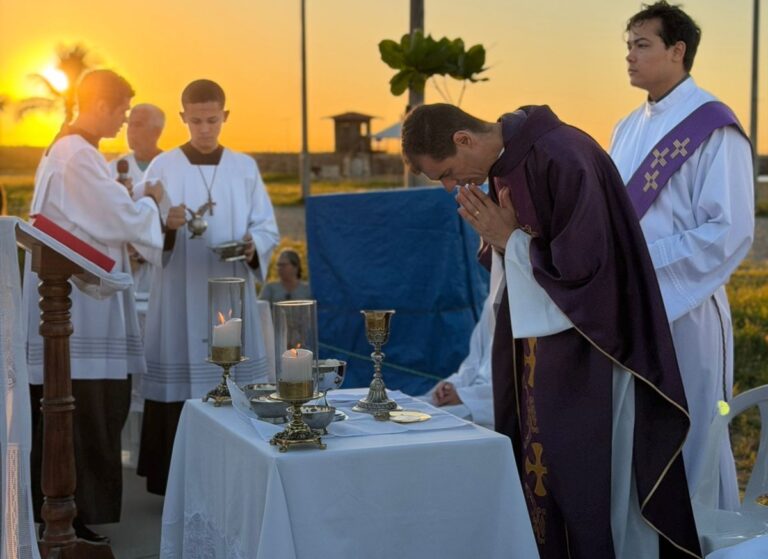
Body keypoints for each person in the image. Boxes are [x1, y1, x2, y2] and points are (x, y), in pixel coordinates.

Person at [402, 103, 702, 558]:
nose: (451, 187)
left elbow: (589, 273)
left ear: (463, 139)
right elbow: (513, 270)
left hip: (596, 355)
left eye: (445, 172)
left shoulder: (563, 156)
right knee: (548, 480)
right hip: (544, 358)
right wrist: (505, 246)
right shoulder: (504, 166)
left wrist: (511, 242)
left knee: (599, 491)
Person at [609, 1, 754, 510]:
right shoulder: (625, 128)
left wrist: (642, 268)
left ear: (678, 50)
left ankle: (702, 540)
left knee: (693, 431)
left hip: (686, 310)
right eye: (628, 45)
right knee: (633, 434)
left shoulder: (714, 127)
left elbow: (728, 231)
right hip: (631, 308)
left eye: (642, 45)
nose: (629, 56)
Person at [23, 69, 166, 542]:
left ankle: (66, 515)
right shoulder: (75, 155)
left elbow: (101, 212)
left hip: (80, 303)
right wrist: (153, 202)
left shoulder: (69, 150)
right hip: (79, 311)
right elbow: (120, 217)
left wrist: (131, 200)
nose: (124, 118)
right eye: (123, 109)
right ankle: (68, 516)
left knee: (80, 413)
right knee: (82, 413)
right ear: (101, 104)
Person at [137, 79, 279, 495]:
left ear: (225, 116)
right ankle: (172, 479)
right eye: (196, 120)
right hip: (180, 289)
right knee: (181, 373)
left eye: (212, 119)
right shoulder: (162, 166)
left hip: (231, 285)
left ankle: (237, 472)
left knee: (236, 374)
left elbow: (265, 224)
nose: (204, 128)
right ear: (183, 118)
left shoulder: (243, 166)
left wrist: (256, 244)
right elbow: (140, 223)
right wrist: (166, 225)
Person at [109, 103, 166, 296]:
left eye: (138, 125)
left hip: (161, 270)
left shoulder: (174, 168)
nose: (130, 131)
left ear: (156, 132)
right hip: (123, 268)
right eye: (129, 125)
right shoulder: (112, 168)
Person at [419, 294, 493, 429]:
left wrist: (464, 396)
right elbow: (473, 362)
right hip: (471, 396)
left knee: (426, 423)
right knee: (410, 409)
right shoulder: (493, 298)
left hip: (489, 406)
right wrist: (451, 385)